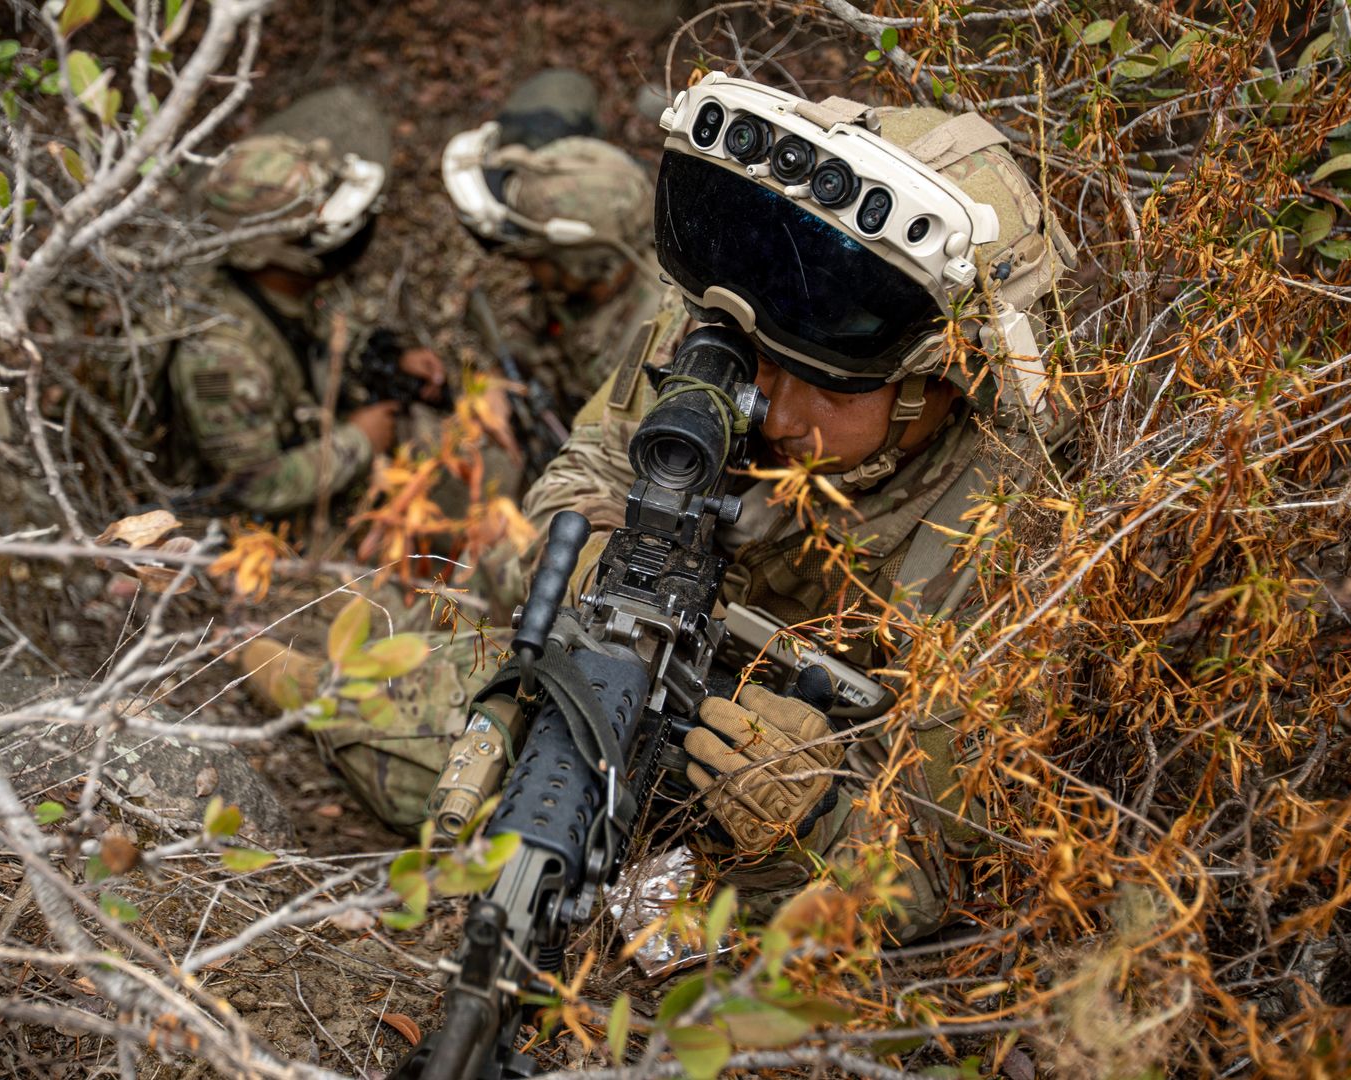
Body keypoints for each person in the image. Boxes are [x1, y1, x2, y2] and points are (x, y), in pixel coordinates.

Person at [255, 78, 1077, 942]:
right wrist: (586, 560)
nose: (771, 407)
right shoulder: (718, 333)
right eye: (760, 359)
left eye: (829, 385)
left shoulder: (1006, 531)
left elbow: (944, 867)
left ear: (946, 377)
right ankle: (319, 687)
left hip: (778, 786)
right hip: (634, 681)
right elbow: (586, 471)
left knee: (751, 928)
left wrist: (814, 816)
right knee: (445, 749)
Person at [149, 87, 450, 520]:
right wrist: (359, 442)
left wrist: (392, 358)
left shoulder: (289, 289)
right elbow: (252, 486)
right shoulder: (220, 357)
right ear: (270, 253)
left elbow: (321, 335)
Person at [442, 70, 676, 420]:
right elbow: (536, 332)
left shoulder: (656, 352)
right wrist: (497, 381)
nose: (526, 267)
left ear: (580, 263)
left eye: (537, 257)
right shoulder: (578, 288)